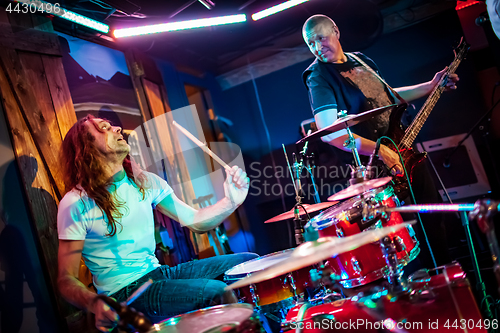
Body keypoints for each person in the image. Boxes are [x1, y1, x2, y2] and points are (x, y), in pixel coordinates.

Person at [57, 115, 257, 332]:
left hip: (160, 273)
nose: (117, 128)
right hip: (126, 293)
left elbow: (196, 221)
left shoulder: (144, 181)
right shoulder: (76, 203)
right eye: (104, 128)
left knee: (249, 265)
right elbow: (66, 279)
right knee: (216, 292)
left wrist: (231, 201)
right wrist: (94, 303)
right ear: (87, 149)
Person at [301, 15, 459, 268]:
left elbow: (391, 97)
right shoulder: (318, 76)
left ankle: (449, 283)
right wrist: (380, 150)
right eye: (311, 43)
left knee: (433, 218)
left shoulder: (362, 60)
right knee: (404, 236)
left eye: (321, 38)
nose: (318, 47)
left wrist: (431, 85)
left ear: (336, 31)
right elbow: (329, 132)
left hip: (404, 149)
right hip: (375, 168)